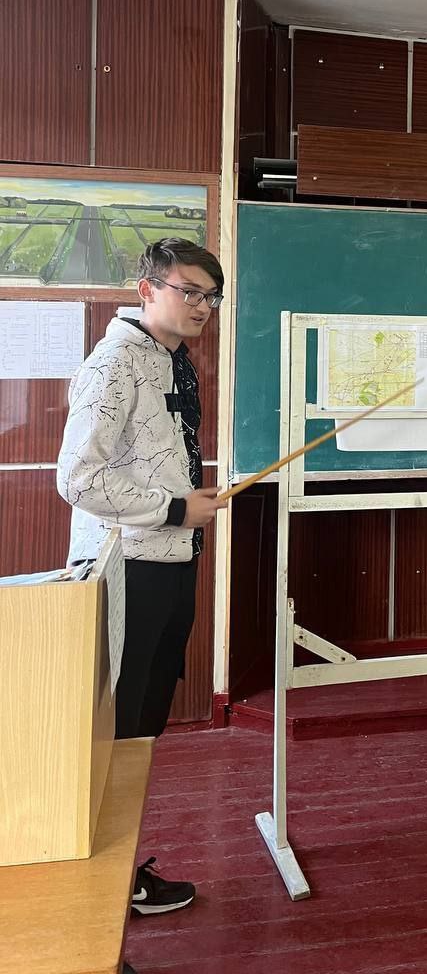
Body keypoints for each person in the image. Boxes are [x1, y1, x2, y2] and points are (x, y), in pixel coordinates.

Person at [57, 238, 228, 915]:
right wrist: (175, 508)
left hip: (169, 562)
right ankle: (96, 896)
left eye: (210, 296)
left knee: (139, 732)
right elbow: (78, 478)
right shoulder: (115, 364)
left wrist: (184, 505)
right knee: (115, 732)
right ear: (147, 289)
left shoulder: (170, 359)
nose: (201, 306)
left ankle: (118, 879)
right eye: (188, 291)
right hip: (125, 569)